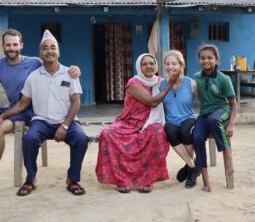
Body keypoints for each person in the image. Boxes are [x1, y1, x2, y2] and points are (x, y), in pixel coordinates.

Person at [0, 28, 80, 191]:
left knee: (0, 129)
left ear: (21, 45)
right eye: (8, 45)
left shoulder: (35, 62)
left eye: (15, 44)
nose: (12, 48)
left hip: (29, 112)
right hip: (12, 108)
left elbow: (54, 63)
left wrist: (75, 69)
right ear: (3, 46)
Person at [0, 29, 88, 196]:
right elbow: (23, 104)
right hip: (42, 122)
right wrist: (4, 115)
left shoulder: (70, 74)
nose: (49, 50)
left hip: (67, 121)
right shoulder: (33, 76)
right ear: (41, 53)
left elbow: (76, 102)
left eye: (53, 47)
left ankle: (72, 179)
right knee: (29, 139)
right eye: (45, 48)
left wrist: (65, 125)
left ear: (58, 52)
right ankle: (31, 179)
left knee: (81, 139)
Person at [95, 53, 179, 193]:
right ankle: (121, 179)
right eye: (144, 64)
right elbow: (151, 102)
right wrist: (168, 86)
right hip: (130, 122)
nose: (148, 66)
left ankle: (148, 179)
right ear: (138, 68)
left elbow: (180, 86)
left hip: (151, 121)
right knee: (107, 133)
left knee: (157, 132)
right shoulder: (133, 83)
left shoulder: (160, 81)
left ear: (157, 66)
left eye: (151, 63)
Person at [192, 44, 237, 192]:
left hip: (221, 109)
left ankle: (227, 155)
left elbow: (233, 104)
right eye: (202, 58)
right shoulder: (197, 77)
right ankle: (206, 179)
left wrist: (230, 124)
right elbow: (197, 96)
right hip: (204, 112)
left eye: (210, 58)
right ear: (199, 60)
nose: (206, 61)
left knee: (213, 120)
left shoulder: (224, 79)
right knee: (197, 137)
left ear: (217, 60)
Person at [160, 50, 198, 188]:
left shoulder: (192, 83)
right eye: (167, 63)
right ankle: (193, 167)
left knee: (185, 129)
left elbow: (205, 102)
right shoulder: (160, 84)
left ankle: (189, 168)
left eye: (174, 63)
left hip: (189, 118)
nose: (170, 67)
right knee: (169, 129)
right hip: (171, 121)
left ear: (182, 65)